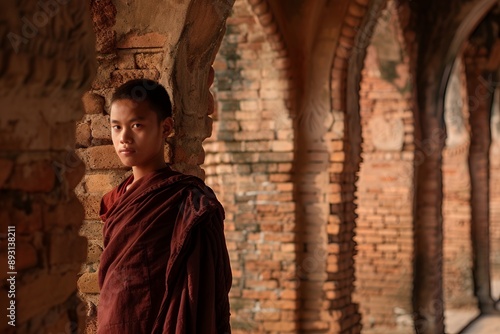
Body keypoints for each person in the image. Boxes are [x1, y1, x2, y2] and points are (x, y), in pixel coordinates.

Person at [97, 79, 232, 334]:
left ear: (165, 127)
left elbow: (201, 284)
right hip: (115, 320)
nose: (124, 138)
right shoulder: (114, 200)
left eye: (137, 125)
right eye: (116, 127)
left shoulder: (187, 199)